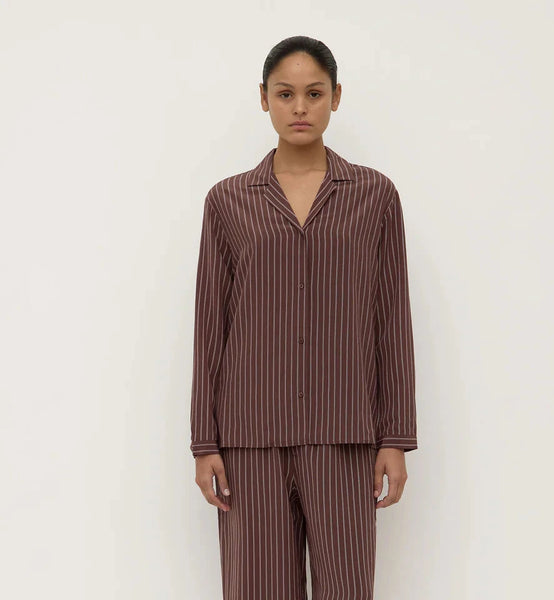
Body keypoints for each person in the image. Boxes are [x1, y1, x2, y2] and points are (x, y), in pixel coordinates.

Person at [190, 35, 418, 600]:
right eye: (285, 94)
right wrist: (204, 442)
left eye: (314, 94)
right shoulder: (228, 201)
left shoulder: (374, 196)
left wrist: (395, 437)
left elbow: (392, 319)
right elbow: (210, 326)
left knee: (347, 589)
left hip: (344, 433)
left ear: (336, 98)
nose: (299, 107)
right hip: (250, 436)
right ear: (263, 98)